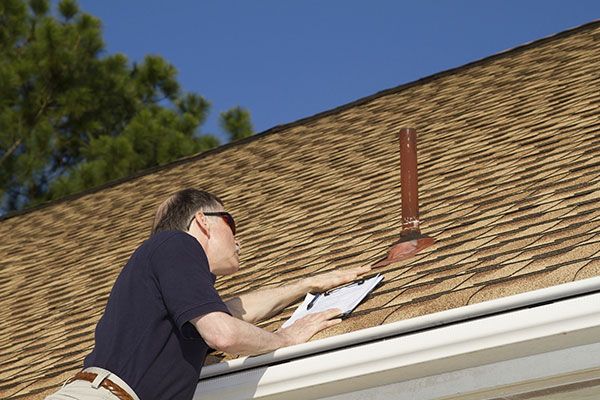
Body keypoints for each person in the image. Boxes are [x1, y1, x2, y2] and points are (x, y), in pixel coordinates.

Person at [46, 188, 370, 400]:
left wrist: (307, 284)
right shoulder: (176, 243)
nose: (239, 240)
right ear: (202, 221)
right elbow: (223, 333)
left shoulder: (170, 287)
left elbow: (234, 312)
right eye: (231, 223)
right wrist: (286, 338)